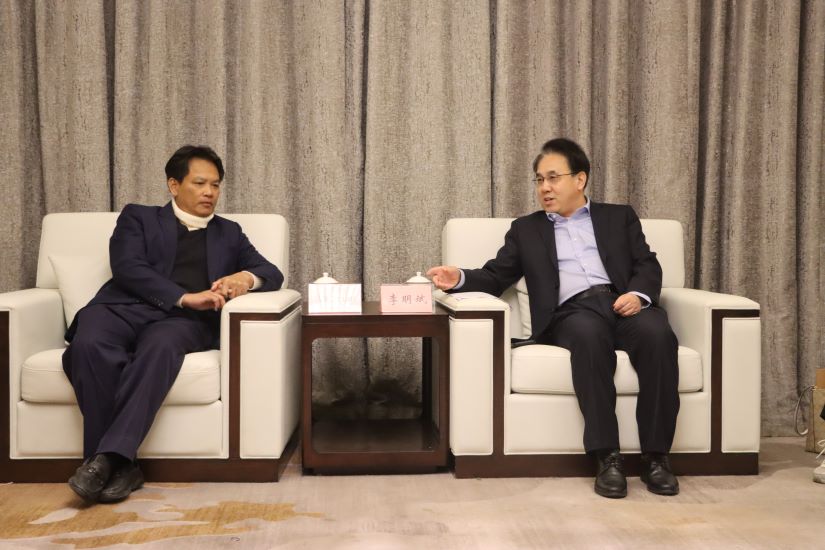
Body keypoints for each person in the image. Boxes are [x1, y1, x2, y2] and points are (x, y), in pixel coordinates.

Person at [427, 138, 680, 499]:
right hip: (573, 312)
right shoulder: (526, 230)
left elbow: (647, 264)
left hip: (624, 304)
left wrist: (638, 295)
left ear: (580, 179)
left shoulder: (619, 217)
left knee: (658, 334)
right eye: (539, 180)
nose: (544, 187)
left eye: (552, 177)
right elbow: (496, 276)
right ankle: (607, 457)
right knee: (589, 338)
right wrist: (460, 277)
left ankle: (656, 458)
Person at [63, 145, 284, 504]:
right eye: (200, 183)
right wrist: (184, 296)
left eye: (215, 185)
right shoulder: (138, 218)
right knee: (88, 345)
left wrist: (244, 278)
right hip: (121, 308)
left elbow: (271, 273)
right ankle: (122, 464)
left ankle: (104, 462)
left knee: (160, 347)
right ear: (174, 185)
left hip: (182, 323)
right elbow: (127, 267)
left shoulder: (229, 233)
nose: (210, 192)